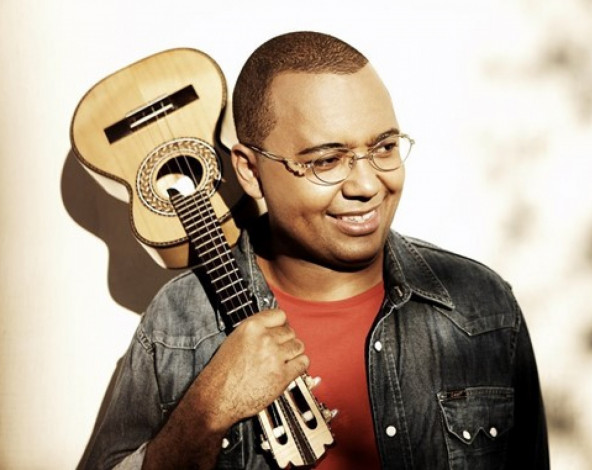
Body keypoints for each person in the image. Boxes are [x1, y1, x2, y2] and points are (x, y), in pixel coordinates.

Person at [81, 31, 549, 469]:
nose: (367, 185)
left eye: (385, 147)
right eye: (326, 160)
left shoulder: (480, 305)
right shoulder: (179, 324)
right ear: (249, 171)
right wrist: (206, 410)